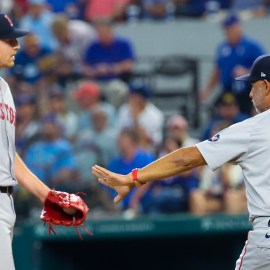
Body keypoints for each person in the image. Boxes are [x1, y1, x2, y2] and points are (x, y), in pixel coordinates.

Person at [92, 54, 270, 270]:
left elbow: (185, 159)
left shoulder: (254, 128)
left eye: (253, 86)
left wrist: (133, 177)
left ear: (267, 86)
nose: (250, 93)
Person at [0, 14, 51, 269]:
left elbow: (7, 153)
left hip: (7, 205)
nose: (17, 46)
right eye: (9, 40)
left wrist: (45, 194)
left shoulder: (5, 89)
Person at [200, 12, 266, 114]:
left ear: (239, 27)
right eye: (227, 29)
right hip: (228, 90)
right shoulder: (222, 48)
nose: (229, 32)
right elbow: (217, 70)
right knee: (215, 111)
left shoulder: (252, 46)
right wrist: (207, 90)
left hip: (247, 90)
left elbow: (265, 67)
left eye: (232, 28)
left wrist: (247, 72)